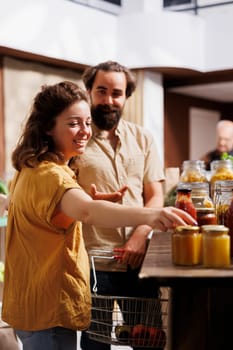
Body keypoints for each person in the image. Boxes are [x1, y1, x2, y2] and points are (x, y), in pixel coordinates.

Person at [1, 81, 196, 350]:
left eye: (86, 122)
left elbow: (33, 209)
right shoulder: (53, 176)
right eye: (73, 123)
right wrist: (151, 215)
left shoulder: (29, 167)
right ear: (48, 127)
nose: (84, 131)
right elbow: (88, 212)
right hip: (50, 312)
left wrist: (83, 201)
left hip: (29, 305)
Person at [67, 60, 167, 350]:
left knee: (148, 342)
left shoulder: (143, 138)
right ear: (88, 92)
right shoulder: (76, 142)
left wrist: (139, 235)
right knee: (94, 345)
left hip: (140, 263)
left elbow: (155, 196)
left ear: (126, 96)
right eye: (101, 91)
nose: (109, 100)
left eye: (117, 93)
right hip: (94, 263)